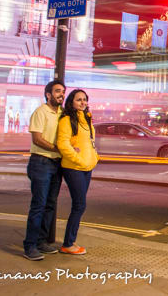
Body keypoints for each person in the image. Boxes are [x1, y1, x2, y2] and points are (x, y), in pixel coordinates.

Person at [23, 80, 65, 261]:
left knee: (50, 205)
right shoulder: (40, 112)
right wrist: (58, 149)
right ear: (48, 94)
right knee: (39, 205)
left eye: (63, 91)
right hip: (41, 162)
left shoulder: (63, 114)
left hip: (56, 164)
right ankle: (30, 245)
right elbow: (37, 139)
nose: (61, 95)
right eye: (57, 91)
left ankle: (41, 241)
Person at [56, 89, 99, 255]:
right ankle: (68, 243)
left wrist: (94, 158)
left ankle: (69, 241)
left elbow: (90, 142)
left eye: (85, 99)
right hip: (73, 167)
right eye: (78, 100)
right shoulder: (67, 120)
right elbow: (63, 144)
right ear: (71, 102)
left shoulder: (86, 119)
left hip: (87, 167)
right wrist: (79, 159)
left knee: (79, 205)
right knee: (79, 205)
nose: (83, 102)